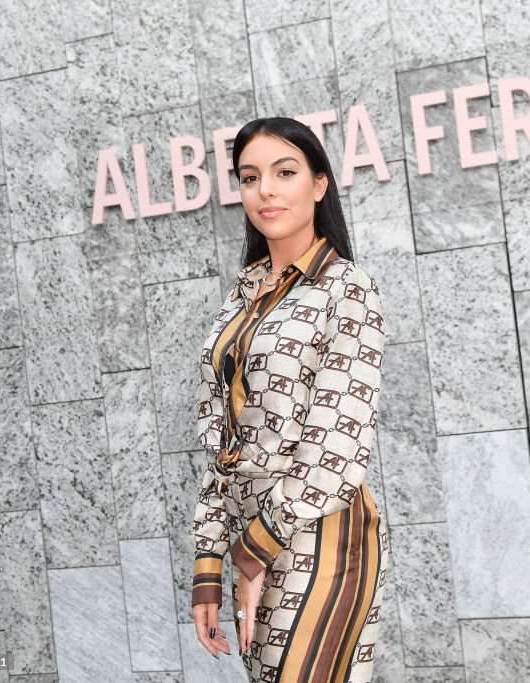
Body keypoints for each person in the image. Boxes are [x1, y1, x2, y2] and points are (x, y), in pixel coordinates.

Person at [190, 116, 389, 683]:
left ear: (320, 183)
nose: (266, 190)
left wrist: (251, 553)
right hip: (250, 533)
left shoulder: (348, 288)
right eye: (250, 177)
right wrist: (210, 560)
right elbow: (219, 447)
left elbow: (337, 445)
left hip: (323, 534)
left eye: (284, 172)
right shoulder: (241, 299)